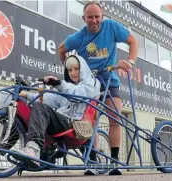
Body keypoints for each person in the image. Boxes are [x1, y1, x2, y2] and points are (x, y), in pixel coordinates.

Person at [58, 1, 139, 175]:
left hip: (109, 78)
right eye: (90, 17)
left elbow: (133, 42)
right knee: (88, 121)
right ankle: (93, 163)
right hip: (89, 82)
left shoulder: (110, 27)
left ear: (102, 17)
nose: (94, 21)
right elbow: (61, 49)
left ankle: (115, 162)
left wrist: (130, 61)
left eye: (97, 17)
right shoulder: (78, 37)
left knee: (115, 117)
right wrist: (70, 69)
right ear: (84, 18)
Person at [13, 54, 101, 169]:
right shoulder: (69, 86)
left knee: (40, 108)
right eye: (69, 70)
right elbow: (52, 99)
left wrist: (58, 84)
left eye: (76, 69)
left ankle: (33, 149)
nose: (73, 72)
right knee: (22, 112)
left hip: (75, 123)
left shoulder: (92, 83)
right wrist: (26, 95)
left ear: (83, 68)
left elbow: (78, 94)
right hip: (63, 121)